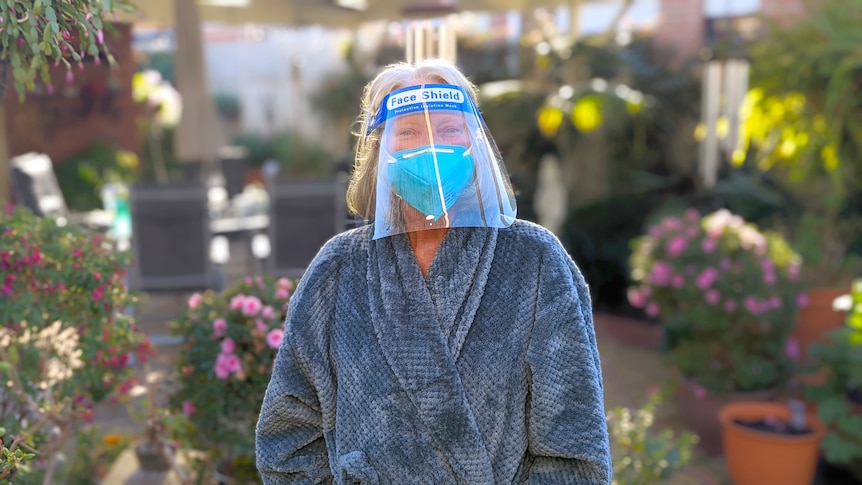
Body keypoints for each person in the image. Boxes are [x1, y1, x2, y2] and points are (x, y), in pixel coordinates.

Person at [255, 59, 612, 484]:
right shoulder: (337, 269)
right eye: (408, 132)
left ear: (475, 143)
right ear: (381, 152)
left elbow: (575, 450)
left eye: (448, 129)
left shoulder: (535, 261)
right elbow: (287, 439)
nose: (431, 147)